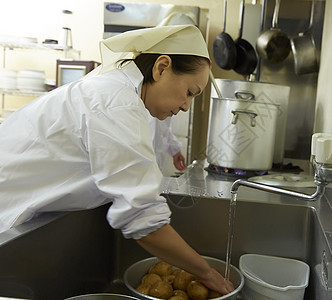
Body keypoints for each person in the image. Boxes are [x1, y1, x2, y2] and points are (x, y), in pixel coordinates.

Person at [0, 25, 234, 295]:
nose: (186, 106)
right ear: (161, 67)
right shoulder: (116, 103)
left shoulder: (115, 90)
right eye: (190, 92)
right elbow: (143, 221)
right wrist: (207, 274)